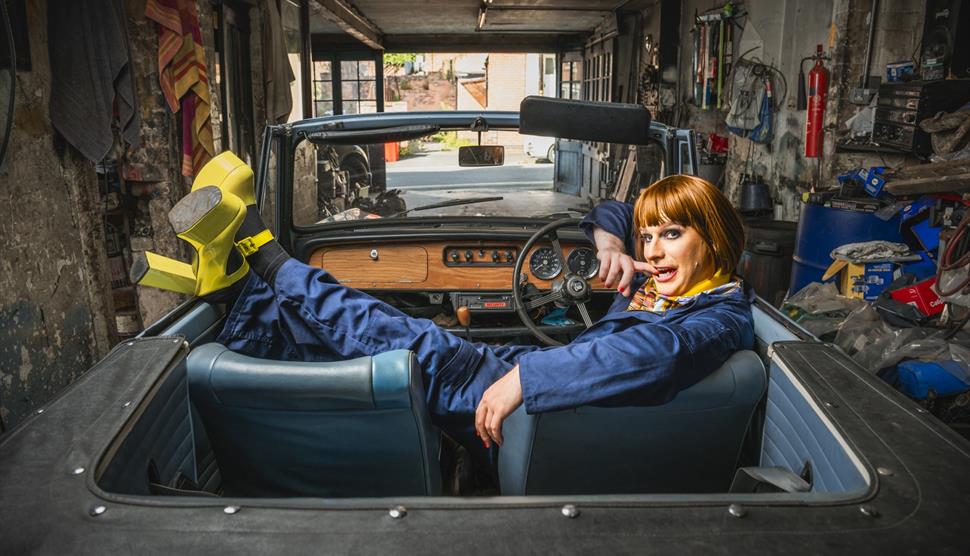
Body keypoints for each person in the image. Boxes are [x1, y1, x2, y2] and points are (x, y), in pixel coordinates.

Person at [134, 155, 754, 466]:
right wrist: (613, 242)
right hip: (534, 373)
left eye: (672, 234)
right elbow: (615, 212)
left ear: (715, 237)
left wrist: (524, 379)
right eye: (651, 236)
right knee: (342, 339)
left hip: (539, 402)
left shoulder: (714, 319)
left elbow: (646, 351)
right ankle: (235, 291)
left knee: (388, 330)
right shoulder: (674, 285)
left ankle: (261, 262)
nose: (654, 249)